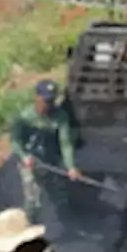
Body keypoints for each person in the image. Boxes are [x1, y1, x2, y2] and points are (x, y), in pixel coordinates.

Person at [11, 80, 81, 232]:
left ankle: (68, 228)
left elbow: (65, 143)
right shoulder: (24, 117)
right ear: (37, 97)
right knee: (33, 198)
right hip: (31, 162)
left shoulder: (60, 116)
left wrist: (71, 167)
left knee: (59, 196)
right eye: (45, 100)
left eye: (51, 100)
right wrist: (24, 157)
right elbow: (15, 142)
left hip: (51, 162)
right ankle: (30, 227)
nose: (48, 104)